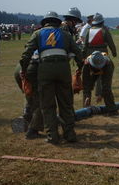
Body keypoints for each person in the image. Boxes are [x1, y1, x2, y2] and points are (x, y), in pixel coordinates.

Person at [20, 11, 83, 143]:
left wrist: (23, 70)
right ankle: (70, 134)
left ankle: (52, 136)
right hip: (63, 69)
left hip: (45, 70)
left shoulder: (37, 33)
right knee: (66, 104)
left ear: (45, 22)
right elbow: (78, 53)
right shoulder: (65, 34)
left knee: (47, 105)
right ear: (58, 23)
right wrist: (80, 68)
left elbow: (26, 54)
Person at [14, 53, 44, 139]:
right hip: (31, 69)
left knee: (30, 96)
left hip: (20, 67)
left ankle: (25, 120)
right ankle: (33, 130)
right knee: (40, 101)